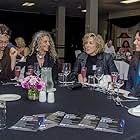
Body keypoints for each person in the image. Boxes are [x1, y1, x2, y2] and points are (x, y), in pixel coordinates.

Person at [126, 30, 140, 96]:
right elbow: (129, 83)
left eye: (138, 40)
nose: (134, 42)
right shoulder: (134, 59)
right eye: (135, 39)